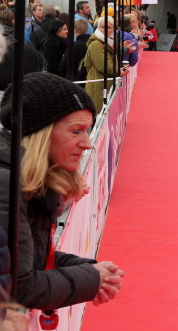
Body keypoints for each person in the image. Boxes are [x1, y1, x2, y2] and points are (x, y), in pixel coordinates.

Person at [0, 72, 125, 310]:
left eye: (87, 130)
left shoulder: (26, 180)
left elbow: (30, 260)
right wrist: (91, 277)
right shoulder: (7, 185)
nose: (87, 144)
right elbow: (18, 288)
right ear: (40, 134)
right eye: (76, 131)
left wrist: (89, 270)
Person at [84, 17, 130, 113]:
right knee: (97, 114)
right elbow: (103, 66)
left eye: (108, 27)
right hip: (98, 86)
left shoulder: (107, 43)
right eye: (102, 27)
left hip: (104, 85)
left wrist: (119, 69)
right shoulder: (96, 44)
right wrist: (118, 71)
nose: (105, 30)